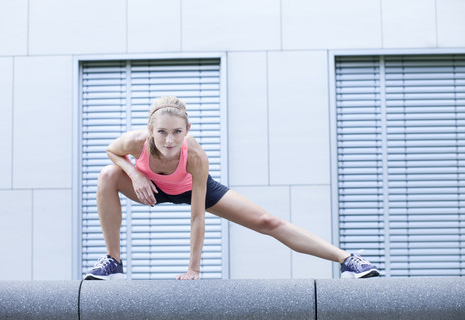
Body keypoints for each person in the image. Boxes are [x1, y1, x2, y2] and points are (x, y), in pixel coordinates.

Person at [85, 96, 379, 281]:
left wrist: (194, 269)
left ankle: (348, 259)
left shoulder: (196, 157)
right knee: (107, 175)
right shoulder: (135, 141)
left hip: (188, 188)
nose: (169, 140)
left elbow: (197, 216)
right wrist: (135, 173)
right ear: (150, 130)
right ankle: (113, 261)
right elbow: (112, 151)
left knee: (268, 221)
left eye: (177, 132)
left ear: (187, 131)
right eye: (161, 132)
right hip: (149, 185)